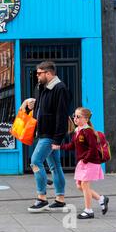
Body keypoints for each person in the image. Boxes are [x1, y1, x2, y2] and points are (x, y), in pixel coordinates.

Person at [23, 61, 70, 213]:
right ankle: (60, 200)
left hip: (50, 134)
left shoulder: (60, 88)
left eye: (39, 73)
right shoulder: (41, 87)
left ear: (48, 73)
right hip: (42, 132)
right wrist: (32, 105)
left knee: (35, 161)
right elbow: (43, 108)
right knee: (55, 166)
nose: (37, 76)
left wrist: (58, 140)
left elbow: (61, 115)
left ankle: (42, 198)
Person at [52, 107, 109, 219]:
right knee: (79, 186)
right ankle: (101, 199)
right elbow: (71, 146)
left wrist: (86, 159)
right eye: (74, 116)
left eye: (78, 116)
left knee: (84, 185)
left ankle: (88, 211)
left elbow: (92, 149)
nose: (75, 118)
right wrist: (58, 147)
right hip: (83, 162)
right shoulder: (77, 131)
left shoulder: (88, 132)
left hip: (90, 162)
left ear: (86, 119)